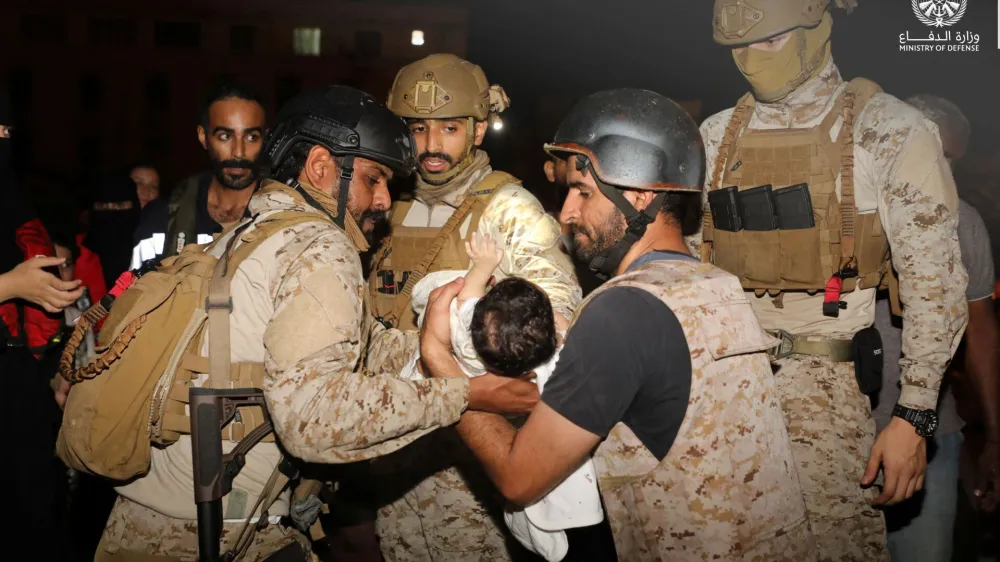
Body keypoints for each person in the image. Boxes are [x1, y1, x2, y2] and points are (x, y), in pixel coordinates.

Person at [93, 85, 537, 562]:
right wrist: (464, 396)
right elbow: (313, 420)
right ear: (321, 167)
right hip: (208, 534)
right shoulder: (319, 247)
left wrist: (439, 347)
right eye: (374, 178)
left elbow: (358, 347)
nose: (385, 199)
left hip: (152, 522)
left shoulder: (255, 233)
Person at [420, 88, 816, 561]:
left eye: (583, 193)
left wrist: (440, 362)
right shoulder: (719, 286)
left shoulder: (620, 312)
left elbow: (518, 477)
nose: (566, 213)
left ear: (640, 195)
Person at [697, 1, 969, 560]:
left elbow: (935, 285)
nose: (751, 61)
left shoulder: (886, 128)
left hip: (823, 391)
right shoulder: (716, 134)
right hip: (723, 390)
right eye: (738, 49)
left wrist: (914, 414)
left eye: (769, 42)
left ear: (816, 27)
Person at [370, 53, 581, 562]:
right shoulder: (382, 203)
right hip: (394, 440)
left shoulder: (507, 207)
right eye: (417, 129)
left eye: (449, 128)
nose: (431, 145)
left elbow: (558, 316)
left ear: (479, 129)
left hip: (470, 450)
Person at [871, 94, 1000, 562]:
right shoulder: (847, 214)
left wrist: (994, 439)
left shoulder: (964, 223)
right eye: (938, 154)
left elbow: (981, 332)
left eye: (953, 161)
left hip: (933, 437)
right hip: (839, 433)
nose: (944, 170)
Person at [131, 83, 266, 269]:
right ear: (204, 137)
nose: (239, 152)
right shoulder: (162, 220)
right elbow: (136, 295)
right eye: (225, 136)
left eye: (251, 137)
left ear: (265, 139)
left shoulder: (286, 217)